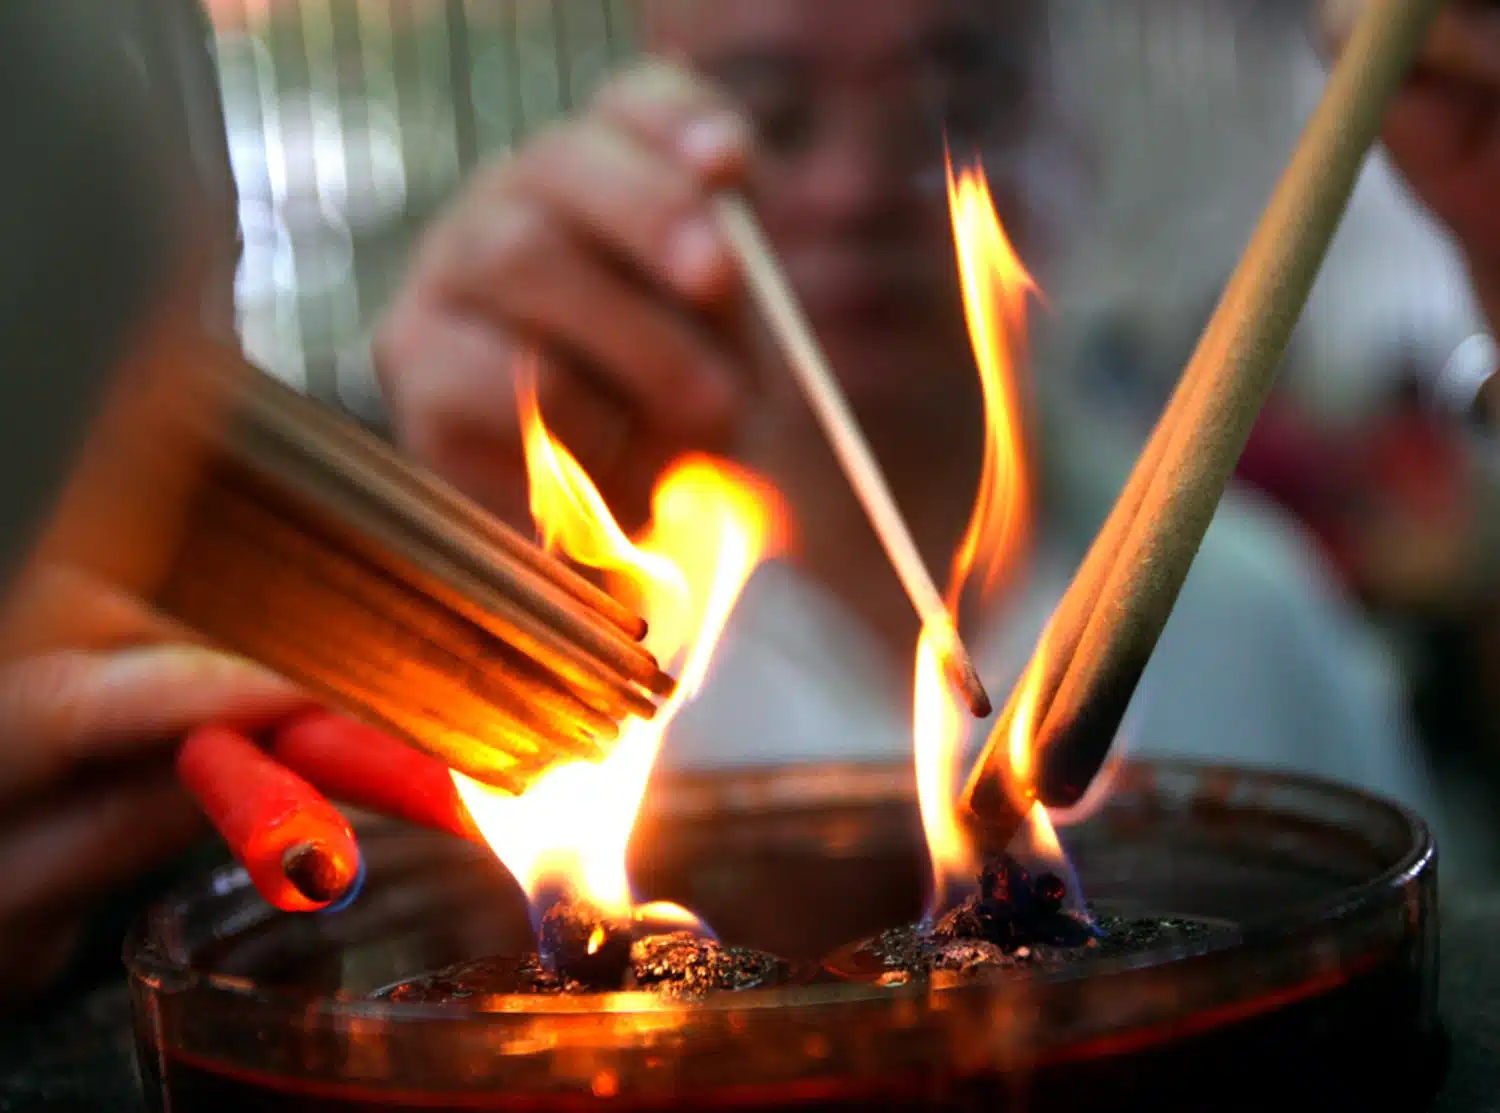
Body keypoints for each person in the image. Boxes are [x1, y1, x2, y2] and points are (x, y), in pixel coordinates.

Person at [1, 0, 1495, 1002]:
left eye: (957, 91)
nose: (857, 184)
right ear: (647, 115)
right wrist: (421, 596)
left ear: (1070, 132)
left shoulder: (1265, 617)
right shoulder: (537, 588)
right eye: (770, 107)